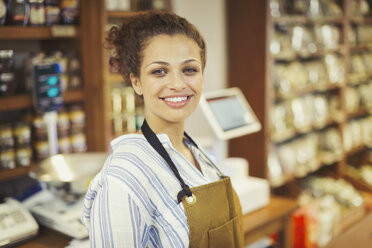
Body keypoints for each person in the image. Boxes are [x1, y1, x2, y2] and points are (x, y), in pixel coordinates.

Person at [82, 11, 244, 248]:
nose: (178, 84)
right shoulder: (123, 178)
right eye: (159, 71)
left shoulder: (195, 152)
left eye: (189, 69)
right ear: (136, 82)